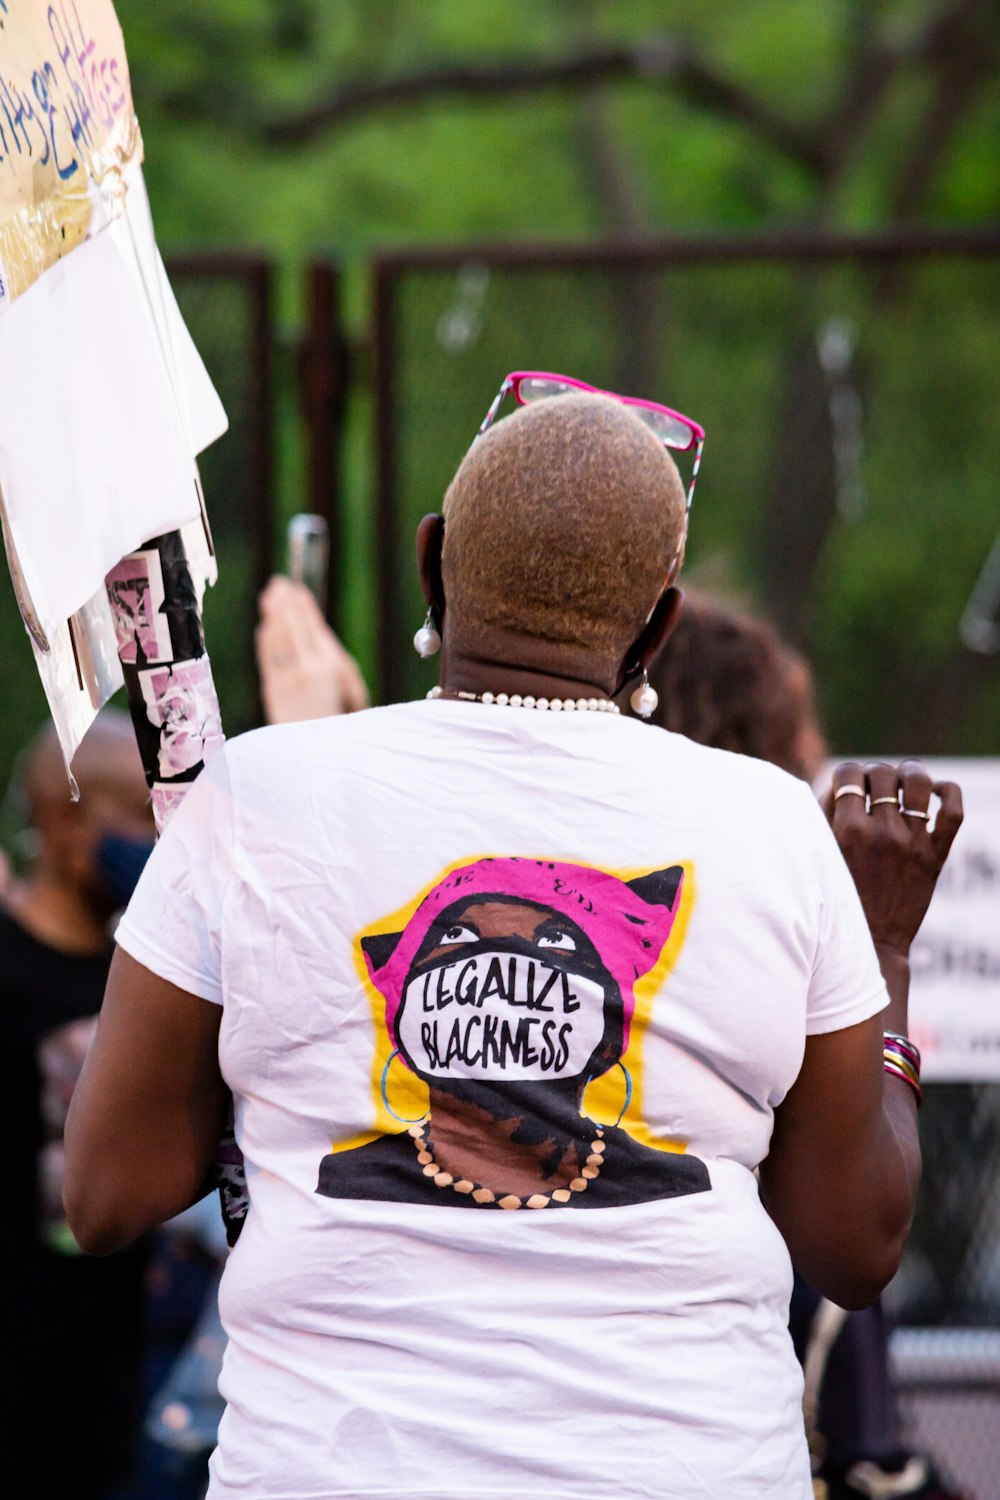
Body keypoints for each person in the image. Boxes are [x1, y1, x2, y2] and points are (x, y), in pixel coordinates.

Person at [64, 381, 961, 1500]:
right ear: (659, 625)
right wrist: (883, 950)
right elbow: (854, 1246)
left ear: (430, 560)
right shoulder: (773, 827)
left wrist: (270, 1059)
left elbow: (105, 1192)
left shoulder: (252, 799)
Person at [644, 592, 965, 1500]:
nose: (822, 770)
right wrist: (882, 948)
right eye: (803, 744)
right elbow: (857, 1245)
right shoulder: (763, 975)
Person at [0, 710, 155, 1500]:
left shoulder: (150, 989)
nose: (160, 842)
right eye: (138, 813)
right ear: (64, 817)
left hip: (108, 1390)